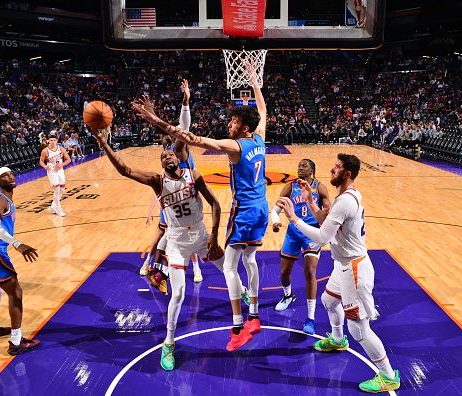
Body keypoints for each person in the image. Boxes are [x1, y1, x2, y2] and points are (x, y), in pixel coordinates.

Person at [89, 127, 247, 370]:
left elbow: (215, 204)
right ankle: (169, 343)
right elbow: (125, 170)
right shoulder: (157, 181)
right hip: (175, 241)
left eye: (171, 154)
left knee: (229, 268)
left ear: (178, 156)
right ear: (161, 163)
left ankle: (244, 292)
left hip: (201, 234)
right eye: (163, 157)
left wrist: (214, 236)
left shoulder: (192, 175)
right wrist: (104, 144)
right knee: (179, 293)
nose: (168, 157)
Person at [133, 72, 268, 352]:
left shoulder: (235, 146)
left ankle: (238, 327)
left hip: (241, 212)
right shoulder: (259, 139)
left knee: (230, 267)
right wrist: (255, 84)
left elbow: (190, 135)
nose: (229, 124)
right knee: (250, 260)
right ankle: (253, 313)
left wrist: (153, 118)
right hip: (262, 210)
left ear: (243, 128)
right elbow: (263, 110)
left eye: (233, 121)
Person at [277, 154, 400, 393]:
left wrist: (293, 218)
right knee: (328, 301)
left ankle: (387, 374)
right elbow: (325, 220)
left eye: (337, 167)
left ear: (347, 174)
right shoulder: (346, 196)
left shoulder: (345, 201)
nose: (332, 169)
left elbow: (323, 237)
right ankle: (337, 339)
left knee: (359, 328)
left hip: (354, 269)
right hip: (343, 266)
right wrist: (310, 201)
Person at [0, 167, 40, 355]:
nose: (10, 177)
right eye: (4, 175)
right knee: (16, 292)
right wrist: (17, 244)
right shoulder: (0, 199)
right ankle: (16, 341)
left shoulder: (4, 199)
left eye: (11, 174)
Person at [141, 80, 202, 283]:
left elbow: (183, 128)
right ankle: (151, 264)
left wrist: (185, 102)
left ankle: (193, 267)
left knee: (183, 234)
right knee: (163, 233)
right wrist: (152, 208)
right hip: (170, 200)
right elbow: (159, 185)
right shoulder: (171, 158)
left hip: (185, 198)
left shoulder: (182, 153)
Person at [270, 159, 330, 335]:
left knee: (310, 271)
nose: (300, 167)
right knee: (284, 272)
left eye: (304, 165)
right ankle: (288, 295)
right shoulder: (290, 187)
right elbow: (275, 210)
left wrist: (327, 211)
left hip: (311, 233)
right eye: (299, 165)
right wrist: (276, 221)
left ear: (312, 170)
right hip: (293, 233)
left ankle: (310, 318)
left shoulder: (320, 187)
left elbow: (327, 207)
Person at [39, 131, 71, 216]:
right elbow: (41, 161)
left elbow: (69, 159)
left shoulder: (61, 149)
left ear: (57, 141)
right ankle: (58, 208)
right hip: (52, 170)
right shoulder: (45, 151)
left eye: (54, 140)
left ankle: (53, 205)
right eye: (51, 140)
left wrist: (62, 164)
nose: (53, 142)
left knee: (62, 190)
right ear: (48, 141)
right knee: (56, 189)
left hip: (60, 170)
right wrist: (45, 166)